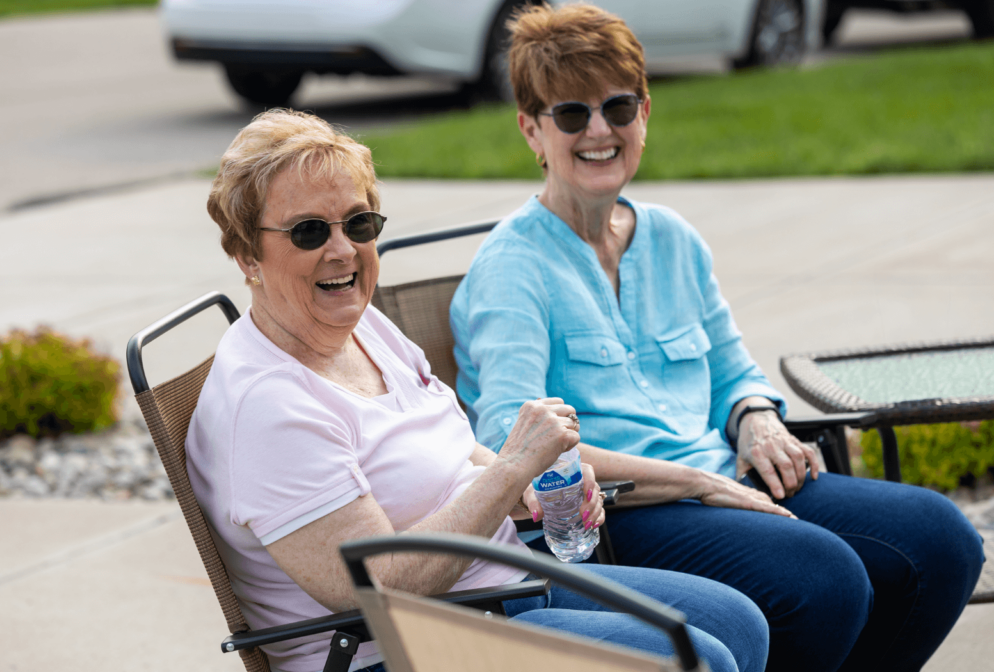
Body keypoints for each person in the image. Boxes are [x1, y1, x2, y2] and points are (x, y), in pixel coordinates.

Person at [449, 5, 985, 672]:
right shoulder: (512, 269)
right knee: (824, 578)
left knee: (941, 540)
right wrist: (690, 481)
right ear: (532, 128)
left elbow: (734, 371)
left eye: (618, 108)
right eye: (570, 114)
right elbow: (510, 440)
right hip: (627, 512)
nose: (599, 131)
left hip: (724, 472)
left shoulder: (673, 237)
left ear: (645, 112)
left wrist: (755, 417)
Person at [185, 108, 769, 672]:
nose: (342, 250)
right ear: (246, 255)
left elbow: (455, 448)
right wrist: (510, 470)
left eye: (358, 224)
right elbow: (375, 586)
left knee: (741, 622)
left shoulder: (361, 326)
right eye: (309, 231)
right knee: (698, 659)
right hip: (400, 648)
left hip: (497, 586)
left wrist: (536, 484)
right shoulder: (267, 405)